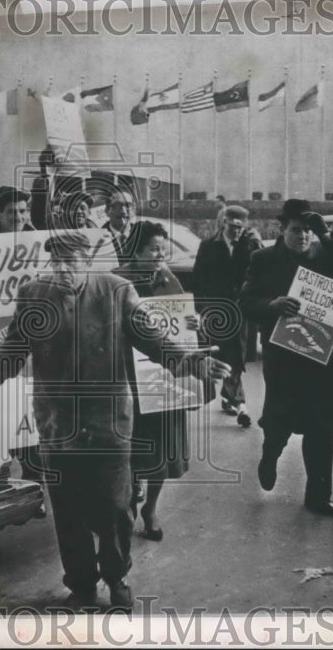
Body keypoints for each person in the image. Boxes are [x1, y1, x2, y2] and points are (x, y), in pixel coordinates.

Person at [0, 231, 228, 611]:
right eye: (56, 261)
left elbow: (157, 343)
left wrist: (193, 361)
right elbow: (10, 354)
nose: (63, 269)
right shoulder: (34, 295)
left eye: (71, 261)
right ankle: (81, 583)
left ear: (87, 260)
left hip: (109, 423)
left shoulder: (117, 291)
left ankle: (117, 577)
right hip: (57, 426)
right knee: (67, 511)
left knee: (115, 509)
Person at [239, 199, 333, 517]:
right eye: (297, 230)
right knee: (280, 420)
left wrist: (328, 233)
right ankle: (270, 454)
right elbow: (246, 300)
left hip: (322, 355)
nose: (303, 236)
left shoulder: (326, 255)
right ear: (282, 231)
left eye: (309, 230)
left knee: (322, 426)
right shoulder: (263, 258)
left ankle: (318, 495)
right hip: (284, 357)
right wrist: (272, 305)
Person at [116, 220, 201, 542]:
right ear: (135, 251)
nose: (159, 257)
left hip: (164, 382)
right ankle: (126, 505)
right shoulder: (116, 282)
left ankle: (150, 508)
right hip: (128, 381)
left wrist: (194, 322)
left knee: (162, 450)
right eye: (153, 250)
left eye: (162, 251)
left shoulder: (167, 278)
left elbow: (182, 328)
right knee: (130, 451)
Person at [191, 205, 261, 428]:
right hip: (215, 310)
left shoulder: (248, 246)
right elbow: (198, 279)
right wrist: (199, 309)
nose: (237, 231)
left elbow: (258, 272)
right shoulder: (208, 246)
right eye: (233, 226)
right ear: (223, 223)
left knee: (237, 356)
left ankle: (240, 404)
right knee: (220, 352)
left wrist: (256, 244)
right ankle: (230, 397)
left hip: (240, 310)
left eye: (241, 228)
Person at [101, 187, 138, 263]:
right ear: (107, 210)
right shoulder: (99, 238)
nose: (124, 211)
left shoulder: (143, 234)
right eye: (117, 206)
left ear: (134, 210)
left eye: (128, 205)